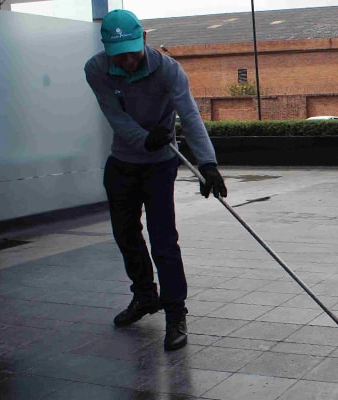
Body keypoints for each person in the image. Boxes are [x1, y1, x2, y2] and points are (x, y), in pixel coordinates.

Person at [84, 9, 227, 351]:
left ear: (144, 40)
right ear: (107, 49)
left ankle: (175, 312)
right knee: (125, 233)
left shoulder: (168, 69)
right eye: (120, 55)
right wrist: (143, 137)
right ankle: (145, 295)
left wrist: (207, 163)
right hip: (123, 161)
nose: (129, 61)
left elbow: (189, 115)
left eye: (133, 52)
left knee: (164, 240)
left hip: (161, 164)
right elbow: (114, 117)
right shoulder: (96, 69)